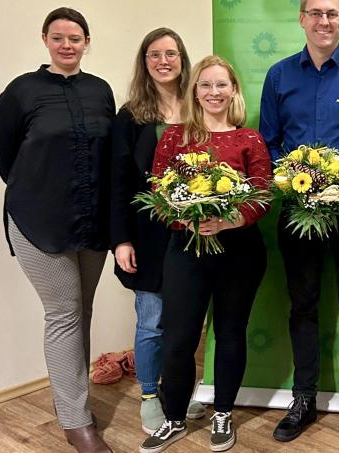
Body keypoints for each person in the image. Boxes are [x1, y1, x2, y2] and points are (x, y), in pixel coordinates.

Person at [259, 0, 339, 446]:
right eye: (315, 13)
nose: (324, 21)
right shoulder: (279, 76)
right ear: (302, 19)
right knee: (303, 307)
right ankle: (303, 399)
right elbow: (269, 141)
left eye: (332, 13)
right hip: (297, 212)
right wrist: (296, 187)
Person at [0, 8, 114, 453]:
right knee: (63, 314)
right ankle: (76, 422)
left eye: (75, 38)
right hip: (38, 220)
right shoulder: (21, 92)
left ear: (86, 42)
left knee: (82, 312)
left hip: (92, 220)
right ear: (45, 39)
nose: (67, 45)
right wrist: (40, 189)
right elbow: (4, 156)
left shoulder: (100, 90)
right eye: (59, 37)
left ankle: (74, 402)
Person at [138, 55, 271, 453]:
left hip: (240, 252)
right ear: (195, 91)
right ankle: (175, 418)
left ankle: (223, 413)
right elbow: (159, 194)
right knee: (178, 338)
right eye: (206, 85)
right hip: (186, 249)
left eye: (221, 85)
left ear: (234, 91)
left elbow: (262, 193)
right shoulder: (173, 138)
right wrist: (187, 219)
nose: (214, 93)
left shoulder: (250, 139)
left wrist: (230, 221)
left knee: (230, 333)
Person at [110, 27, 206, 434]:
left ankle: (177, 392)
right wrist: (120, 239)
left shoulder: (200, 108)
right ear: (144, 62)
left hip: (194, 233)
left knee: (186, 321)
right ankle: (150, 395)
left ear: (182, 60)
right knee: (152, 320)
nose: (163, 61)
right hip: (148, 235)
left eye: (170, 54)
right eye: (154, 55)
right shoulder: (131, 116)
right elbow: (117, 181)